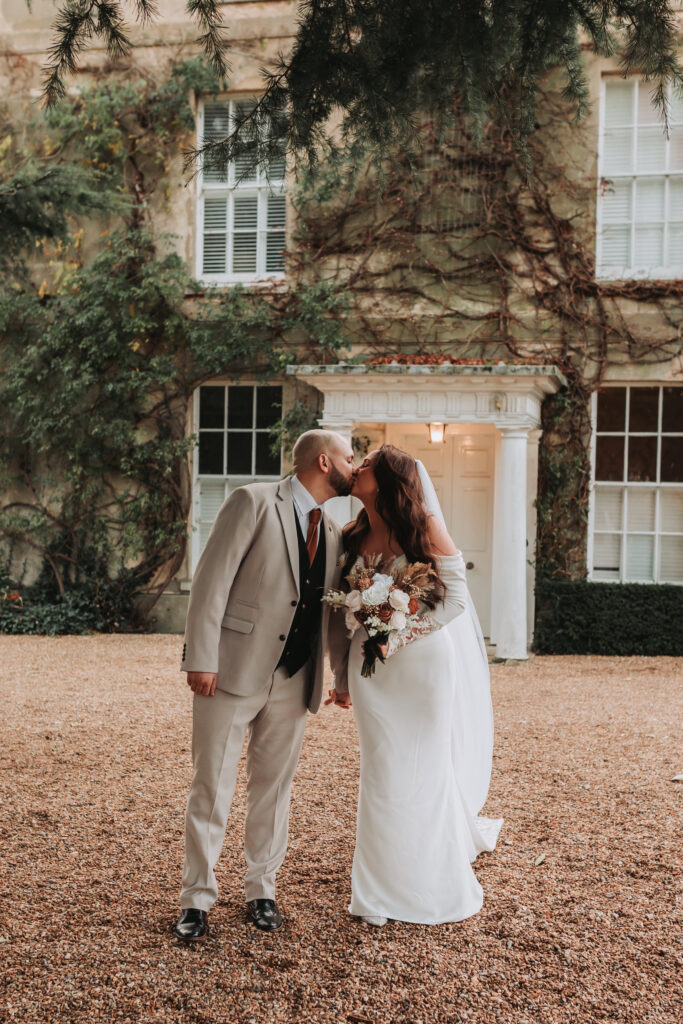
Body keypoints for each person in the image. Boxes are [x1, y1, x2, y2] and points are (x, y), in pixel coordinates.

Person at [174, 429, 355, 941]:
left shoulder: (334, 532)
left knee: (274, 790)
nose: (355, 465)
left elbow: (333, 616)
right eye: (349, 457)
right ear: (324, 461)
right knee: (212, 787)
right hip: (230, 671)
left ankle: (262, 891)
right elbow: (212, 581)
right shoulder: (251, 502)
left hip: (296, 678)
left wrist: (341, 678)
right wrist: (201, 658)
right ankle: (196, 899)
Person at [327, 445, 503, 927]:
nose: (356, 468)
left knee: (425, 764)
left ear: (387, 479)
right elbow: (339, 612)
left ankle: (429, 873)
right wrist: (343, 676)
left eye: (366, 465)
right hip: (371, 670)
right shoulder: (351, 534)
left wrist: (396, 635)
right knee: (382, 768)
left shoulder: (423, 526)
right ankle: (378, 888)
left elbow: (455, 602)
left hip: (422, 666)